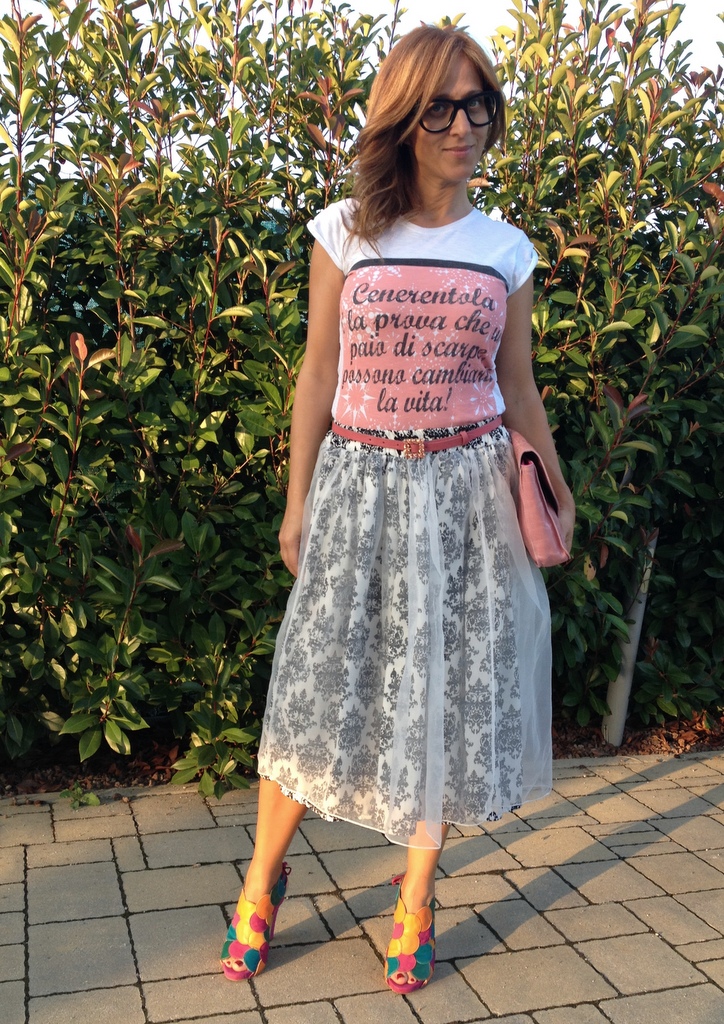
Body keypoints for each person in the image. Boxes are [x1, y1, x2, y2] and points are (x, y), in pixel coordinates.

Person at [220, 23, 575, 994]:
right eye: (441, 107)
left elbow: (518, 387)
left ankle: (416, 895)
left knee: (442, 694)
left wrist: (553, 486)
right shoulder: (346, 232)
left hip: (468, 499)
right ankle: (261, 877)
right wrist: (296, 500)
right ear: (403, 119)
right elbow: (317, 372)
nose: (464, 126)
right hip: (358, 488)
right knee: (314, 686)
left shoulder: (504, 250)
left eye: (478, 104)